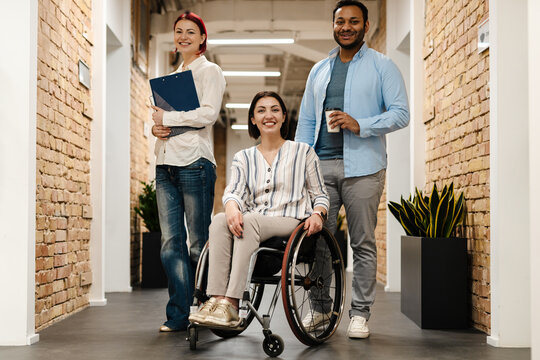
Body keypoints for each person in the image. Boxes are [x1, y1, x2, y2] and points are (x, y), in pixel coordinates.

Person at [295, 0, 409, 339]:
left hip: (364, 169)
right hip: (320, 168)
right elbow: (307, 122)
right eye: (340, 21)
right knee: (318, 242)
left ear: (366, 25)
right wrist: (301, 163)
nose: (346, 26)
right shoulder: (319, 70)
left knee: (362, 243)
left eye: (353, 21)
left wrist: (362, 124)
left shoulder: (382, 66)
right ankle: (318, 309)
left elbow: (401, 112)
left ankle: (359, 315)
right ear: (333, 26)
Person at [188, 91, 329, 327]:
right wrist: (232, 208)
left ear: (284, 117)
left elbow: (320, 194)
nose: (268, 115)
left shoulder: (303, 152)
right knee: (221, 220)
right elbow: (233, 192)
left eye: (275, 109)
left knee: (250, 219)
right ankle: (216, 299)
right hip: (255, 223)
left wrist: (318, 214)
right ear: (253, 119)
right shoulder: (243, 157)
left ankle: (233, 303)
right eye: (261, 111)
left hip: (289, 221)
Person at [150, 11, 226, 332]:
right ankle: (179, 314)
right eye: (178, 31)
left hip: (194, 162)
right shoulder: (172, 76)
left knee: (198, 241)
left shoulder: (210, 71)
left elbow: (208, 114)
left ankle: (207, 304)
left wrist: (165, 120)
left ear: (202, 39)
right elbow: (158, 118)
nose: (183, 36)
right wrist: (155, 128)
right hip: (164, 163)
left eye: (190, 32)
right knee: (170, 242)